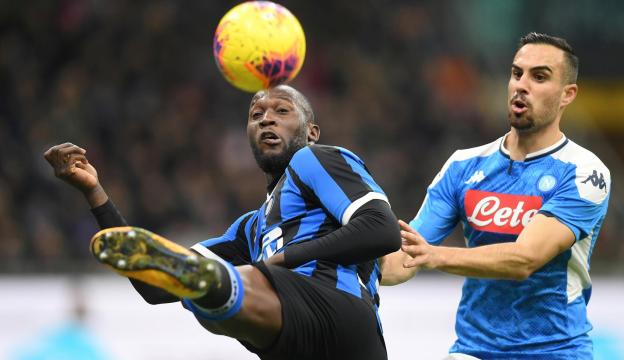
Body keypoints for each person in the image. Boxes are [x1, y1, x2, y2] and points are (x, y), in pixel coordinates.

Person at [44, 84, 400, 360]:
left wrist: (282, 260)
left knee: (225, 289)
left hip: (339, 313)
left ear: (312, 132)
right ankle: (209, 286)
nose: (266, 119)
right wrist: (94, 192)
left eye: (281, 110)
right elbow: (154, 288)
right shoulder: (250, 228)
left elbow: (381, 229)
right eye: (255, 114)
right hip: (294, 345)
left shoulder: (315, 160)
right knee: (193, 289)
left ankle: (214, 284)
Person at [381, 32, 611, 359]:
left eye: (539, 77)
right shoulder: (463, 165)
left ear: (567, 94)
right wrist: (349, 259)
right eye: (517, 73)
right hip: (474, 350)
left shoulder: (585, 171)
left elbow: (525, 259)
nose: (522, 85)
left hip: (557, 350)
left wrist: (434, 256)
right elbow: (404, 258)